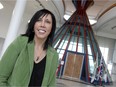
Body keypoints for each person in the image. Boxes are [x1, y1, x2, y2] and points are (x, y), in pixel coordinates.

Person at [0, 9, 58, 87]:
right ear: (33, 24)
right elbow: (1, 76)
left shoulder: (53, 55)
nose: (42, 25)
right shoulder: (20, 42)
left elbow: (51, 85)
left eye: (47, 22)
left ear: (51, 28)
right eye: (39, 20)